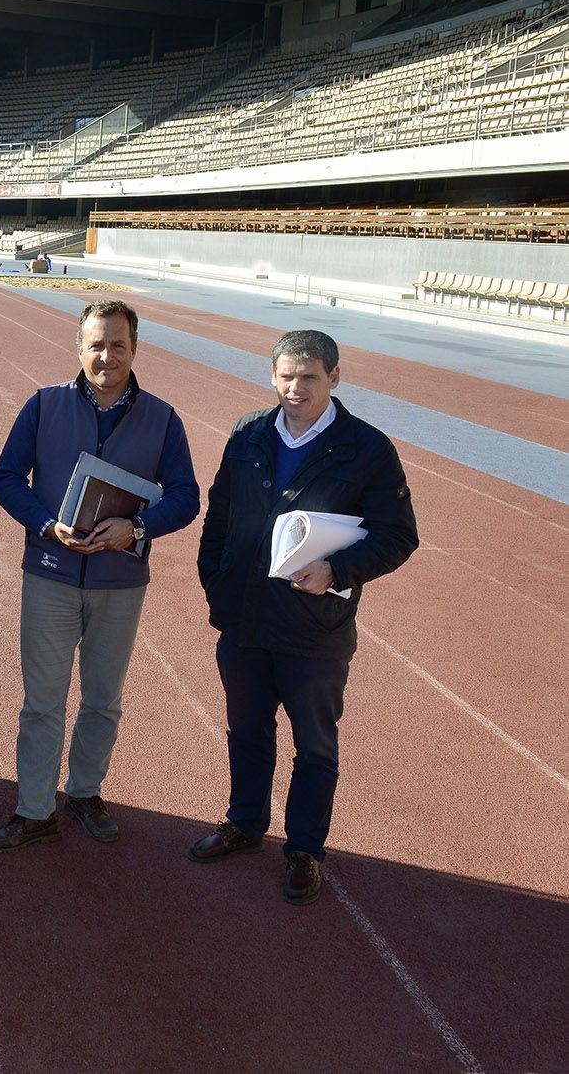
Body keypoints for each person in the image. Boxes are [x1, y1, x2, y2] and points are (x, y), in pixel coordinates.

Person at [189, 330, 417, 905]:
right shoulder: (248, 433)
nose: (295, 387)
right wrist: (216, 586)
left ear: (335, 378)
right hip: (243, 622)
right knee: (246, 732)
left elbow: (398, 536)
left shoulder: (367, 448)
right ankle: (244, 824)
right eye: (286, 375)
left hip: (314, 631)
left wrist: (336, 572)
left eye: (309, 377)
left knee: (315, 747)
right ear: (272, 375)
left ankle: (305, 851)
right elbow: (219, 518)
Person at [0, 299, 199, 853]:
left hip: (119, 583)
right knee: (42, 701)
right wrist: (43, 523)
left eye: (118, 345)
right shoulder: (44, 405)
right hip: (51, 574)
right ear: (78, 348)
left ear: (134, 348)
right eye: (96, 344)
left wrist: (138, 527)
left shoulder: (163, 417)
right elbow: (7, 478)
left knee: (103, 698)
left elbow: (186, 497)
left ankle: (84, 792)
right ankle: (35, 810)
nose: (107, 355)